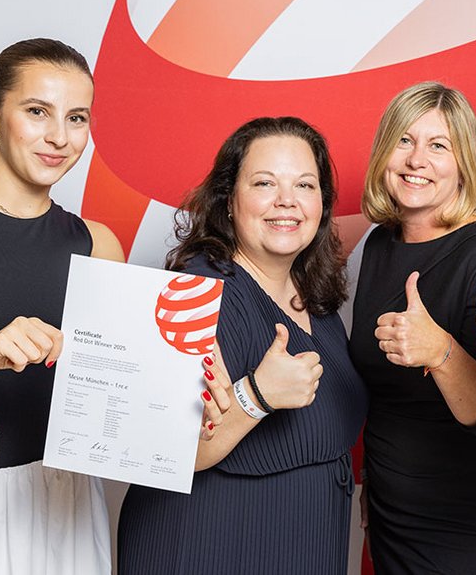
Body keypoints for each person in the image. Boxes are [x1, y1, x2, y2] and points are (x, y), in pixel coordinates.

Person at [118, 116, 368, 574]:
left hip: (302, 546)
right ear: (228, 200)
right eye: (264, 183)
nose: (287, 200)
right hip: (206, 548)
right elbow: (161, 451)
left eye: (305, 185)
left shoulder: (314, 297)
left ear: (322, 203)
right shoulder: (195, 292)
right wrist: (257, 395)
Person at [0, 39, 127, 574]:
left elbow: (120, 401)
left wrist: (183, 390)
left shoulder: (97, 244)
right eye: (38, 111)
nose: (59, 137)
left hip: (67, 505)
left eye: (77, 117)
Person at [350, 82, 476, 574]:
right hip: (391, 514)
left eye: (438, 146)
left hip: (469, 522)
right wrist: (373, 477)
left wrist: (442, 352)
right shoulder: (380, 244)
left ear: (463, 164)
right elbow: (384, 393)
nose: (417, 160)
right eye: (404, 140)